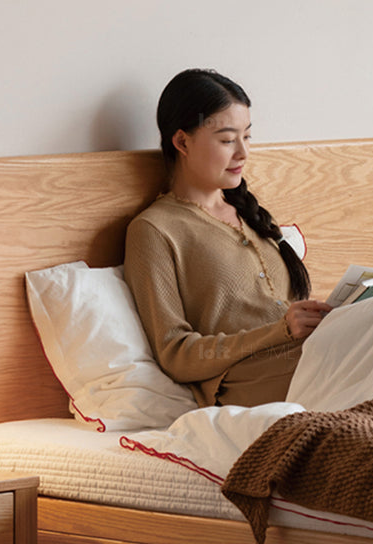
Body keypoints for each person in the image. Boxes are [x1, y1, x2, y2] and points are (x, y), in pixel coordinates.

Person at [124, 68, 331, 407]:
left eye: (247, 137)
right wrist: (279, 331)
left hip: (307, 359)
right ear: (182, 142)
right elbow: (175, 353)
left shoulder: (254, 216)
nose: (243, 153)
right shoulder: (155, 230)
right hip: (249, 382)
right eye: (226, 140)